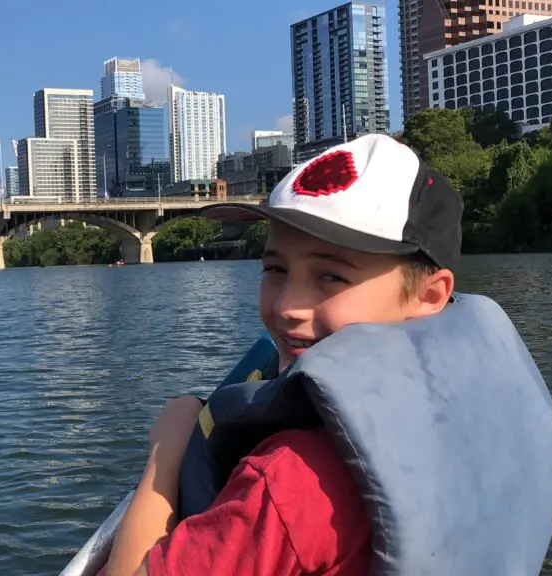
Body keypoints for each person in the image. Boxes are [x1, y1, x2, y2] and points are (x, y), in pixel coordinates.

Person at [104, 134, 466, 575]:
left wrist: (166, 454)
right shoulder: (468, 407)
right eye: (275, 269)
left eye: (331, 276)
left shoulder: (284, 483)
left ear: (430, 295)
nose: (285, 307)